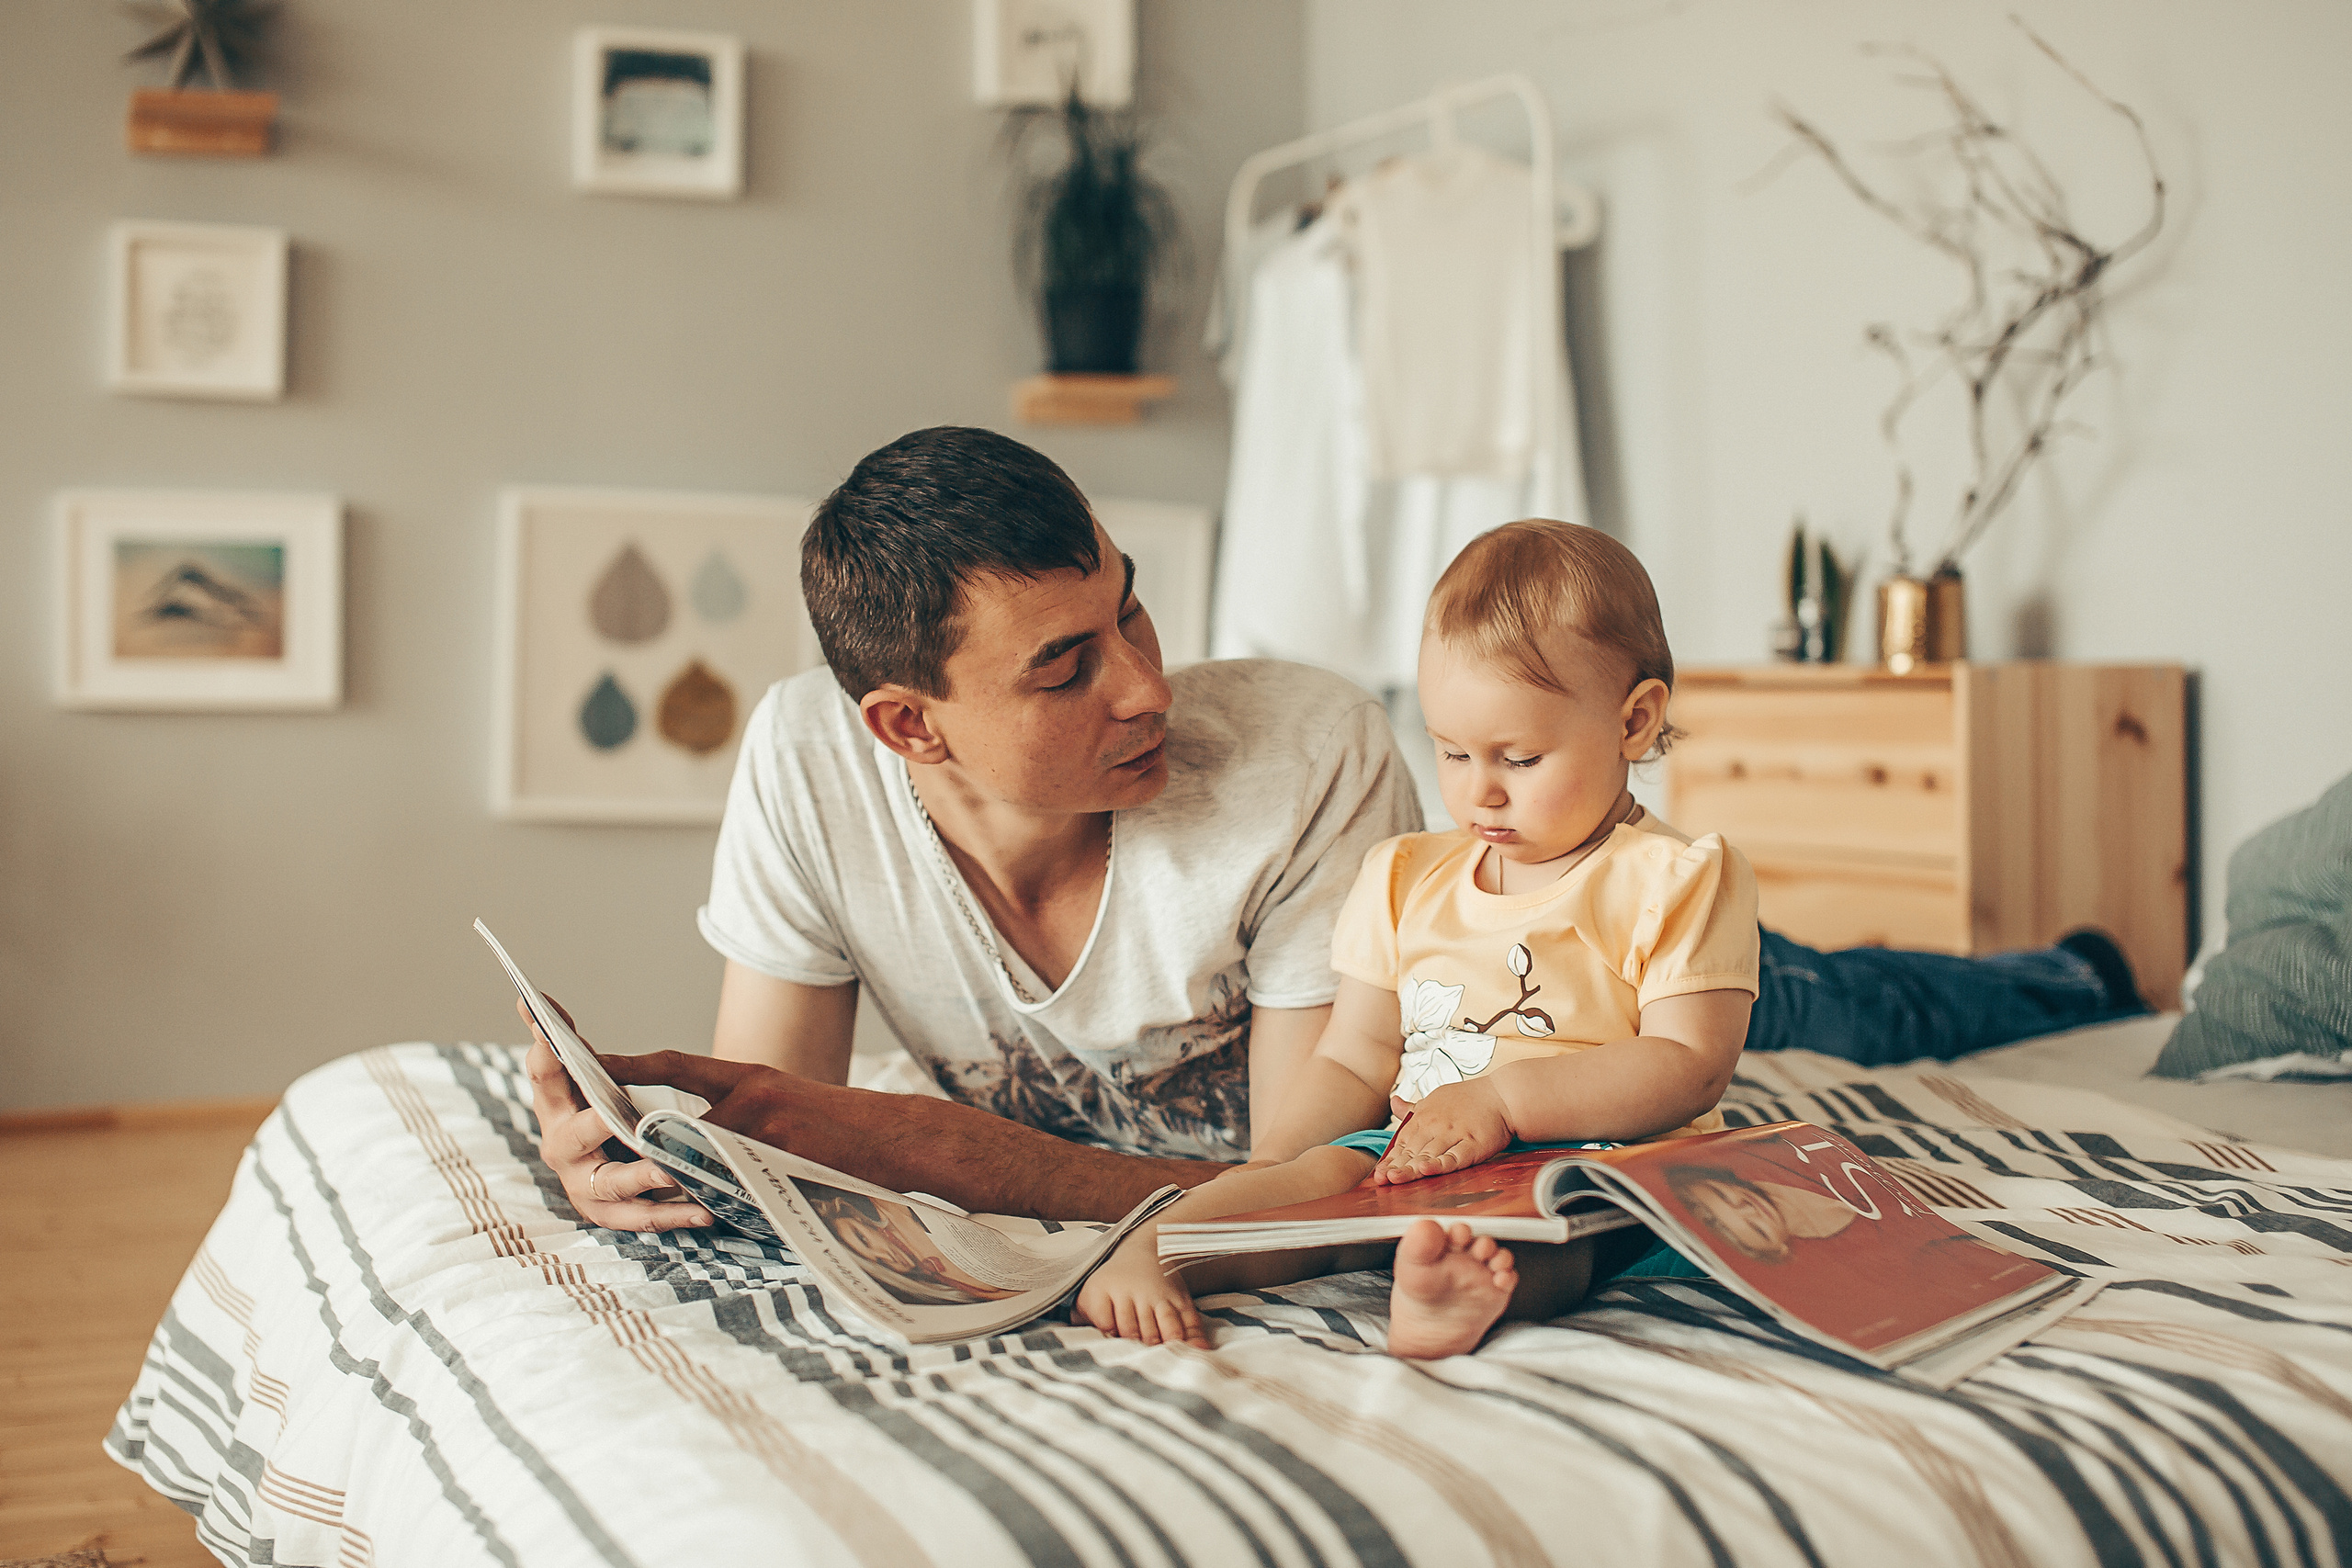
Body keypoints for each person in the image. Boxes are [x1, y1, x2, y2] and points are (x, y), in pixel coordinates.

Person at [526, 428, 2143, 1244]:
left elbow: (1297, 1165)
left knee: (1868, 1003)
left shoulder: (1296, 748)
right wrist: (651, 1139)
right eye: (1069, 665)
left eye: (1133, 609)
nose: (1150, 681)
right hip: (1467, 996)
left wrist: (949, 1154)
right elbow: (787, 1107)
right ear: (910, 725)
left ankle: (2074, 972)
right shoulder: (810, 763)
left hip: (1563, 987)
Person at [1072, 519, 1759, 1356]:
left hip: (1601, 1159)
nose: (1482, 793)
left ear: (1635, 722)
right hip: (1411, 1146)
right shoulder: (1406, 876)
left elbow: (1690, 1063)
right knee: (1307, 1190)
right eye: (1453, 752)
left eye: (1520, 758)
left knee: (1565, 1229)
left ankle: (1456, 1292)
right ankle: (1155, 1251)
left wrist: (1504, 1103)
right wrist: (1275, 1163)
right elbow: (1356, 1055)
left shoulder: (1677, 876)